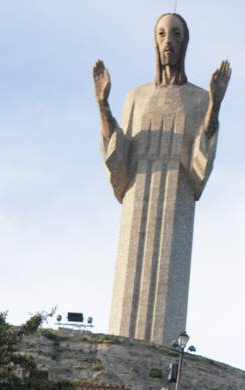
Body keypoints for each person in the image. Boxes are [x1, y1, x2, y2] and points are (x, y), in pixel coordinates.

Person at [93, 14, 231, 346]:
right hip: (138, 196)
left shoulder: (199, 99)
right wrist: (102, 104)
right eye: (162, 34)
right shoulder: (136, 97)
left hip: (175, 202)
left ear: (185, 43)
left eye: (176, 34)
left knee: (167, 293)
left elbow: (202, 150)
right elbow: (119, 154)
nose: (168, 41)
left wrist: (215, 105)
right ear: (155, 42)